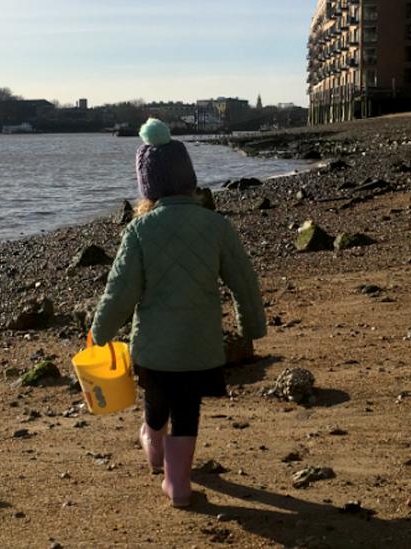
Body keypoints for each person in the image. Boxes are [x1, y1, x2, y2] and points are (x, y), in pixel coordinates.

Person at [90, 118, 266, 507]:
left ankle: (153, 449)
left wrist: (99, 333)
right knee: (188, 408)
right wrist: (251, 324)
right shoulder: (216, 225)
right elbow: (243, 281)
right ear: (190, 179)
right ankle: (179, 485)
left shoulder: (139, 231)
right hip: (199, 343)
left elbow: (120, 291)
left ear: (147, 187)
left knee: (156, 403)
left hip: (154, 346)